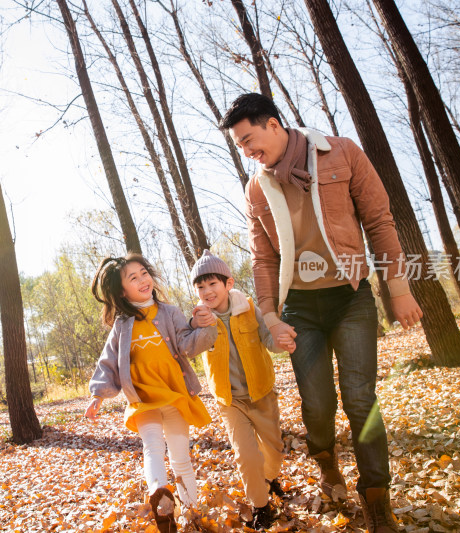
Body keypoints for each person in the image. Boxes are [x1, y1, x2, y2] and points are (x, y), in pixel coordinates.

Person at [219, 93, 422, 533]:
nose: (249, 152)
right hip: (300, 310)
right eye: (241, 147)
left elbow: (379, 221)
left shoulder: (342, 152)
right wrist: (270, 315)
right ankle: (328, 466)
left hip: (351, 298)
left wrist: (399, 290)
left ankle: (376, 499)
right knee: (317, 403)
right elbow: (263, 258)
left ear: (274, 124)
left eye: (250, 139)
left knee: (361, 398)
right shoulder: (258, 187)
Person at [85, 253, 218, 533]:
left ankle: (191, 511)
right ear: (122, 291)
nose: (143, 280)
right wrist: (98, 394)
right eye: (133, 278)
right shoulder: (122, 325)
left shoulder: (170, 312)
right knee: (153, 447)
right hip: (143, 399)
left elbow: (186, 344)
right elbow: (108, 360)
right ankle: (161, 497)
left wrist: (206, 327)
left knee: (181, 455)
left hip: (174, 393)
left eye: (144, 273)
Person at [189, 249, 294, 530]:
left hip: (261, 393)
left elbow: (267, 339)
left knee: (273, 452)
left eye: (212, 284)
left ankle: (269, 480)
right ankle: (261, 506)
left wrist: (282, 343)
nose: (207, 291)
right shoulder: (200, 319)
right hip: (229, 400)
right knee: (246, 455)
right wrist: (198, 326)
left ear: (228, 284)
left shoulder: (249, 308)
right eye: (200, 287)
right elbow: (190, 347)